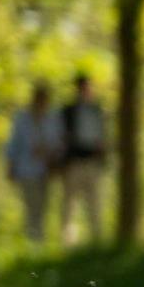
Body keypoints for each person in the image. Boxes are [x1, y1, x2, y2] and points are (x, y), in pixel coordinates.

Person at [54, 71, 111, 243]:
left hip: (92, 162)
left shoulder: (98, 111)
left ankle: (97, 240)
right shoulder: (67, 111)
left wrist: (103, 156)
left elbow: (104, 136)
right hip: (74, 164)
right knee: (69, 206)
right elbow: (60, 137)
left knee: (95, 204)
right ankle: (68, 243)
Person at [4, 82, 61, 244]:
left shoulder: (52, 119)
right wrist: (10, 167)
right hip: (27, 170)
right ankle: (33, 242)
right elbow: (13, 145)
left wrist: (49, 153)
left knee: (43, 208)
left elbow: (58, 142)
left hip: (46, 170)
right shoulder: (22, 119)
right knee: (32, 207)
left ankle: (39, 242)